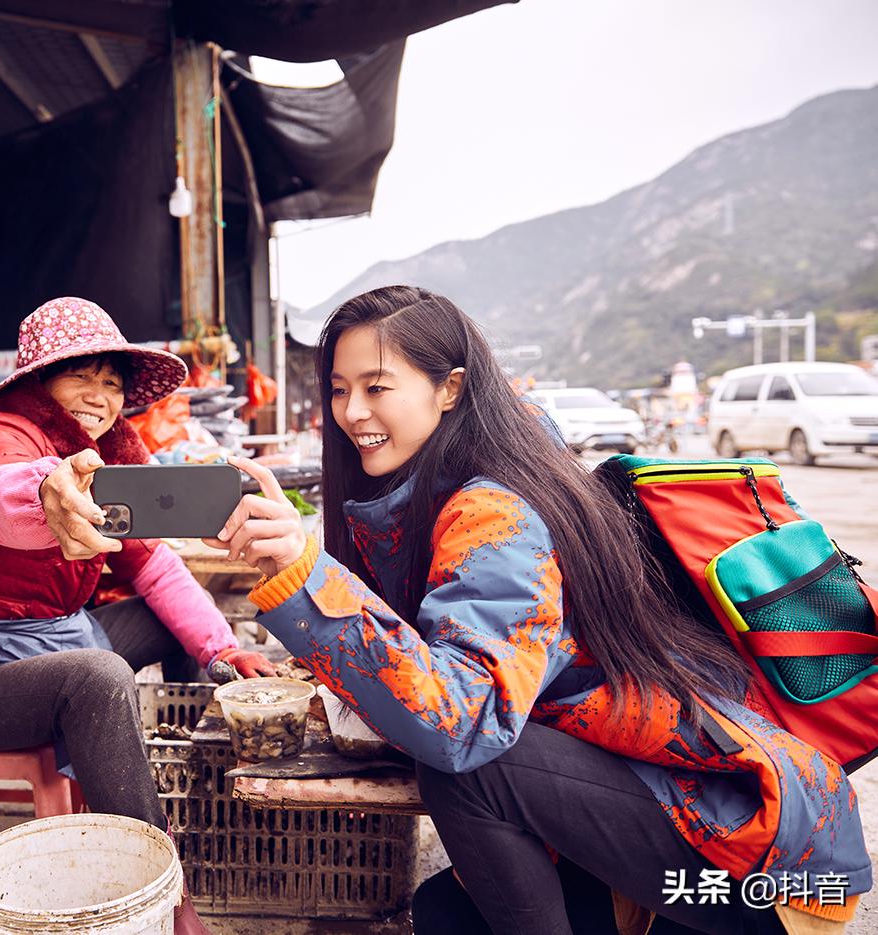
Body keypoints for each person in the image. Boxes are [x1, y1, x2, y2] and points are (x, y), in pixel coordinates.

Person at [208, 285, 869, 934]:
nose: (352, 410)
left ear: (450, 388)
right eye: (338, 388)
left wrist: (302, 573)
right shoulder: (439, 490)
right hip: (667, 805)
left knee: (467, 771)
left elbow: (459, 721)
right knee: (446, 914)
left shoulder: (495, 512)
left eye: (377, 386)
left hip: (759, 857)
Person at [0, 296, 273, 933]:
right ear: (38, 381)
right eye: (81, 374)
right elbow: (4, 493)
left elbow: (155, 568)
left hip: (59, 636)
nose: (99, 396)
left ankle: (197, 772)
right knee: (99, 677)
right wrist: (51, 492)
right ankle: (161, 892)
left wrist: (223, 650)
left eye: (112, 382)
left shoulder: (112, 461)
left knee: (179, 624)